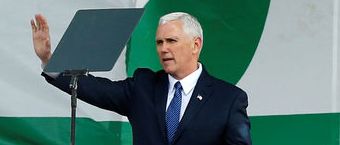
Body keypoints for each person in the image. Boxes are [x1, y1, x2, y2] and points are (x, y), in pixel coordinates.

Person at [31, 11, 252, 145]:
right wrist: (50, 60)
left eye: (171, 41)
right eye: (159, 42)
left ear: (196, 45)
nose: (163, 49)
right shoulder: (143, 86)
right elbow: (95, 88)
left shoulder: (229, 99)